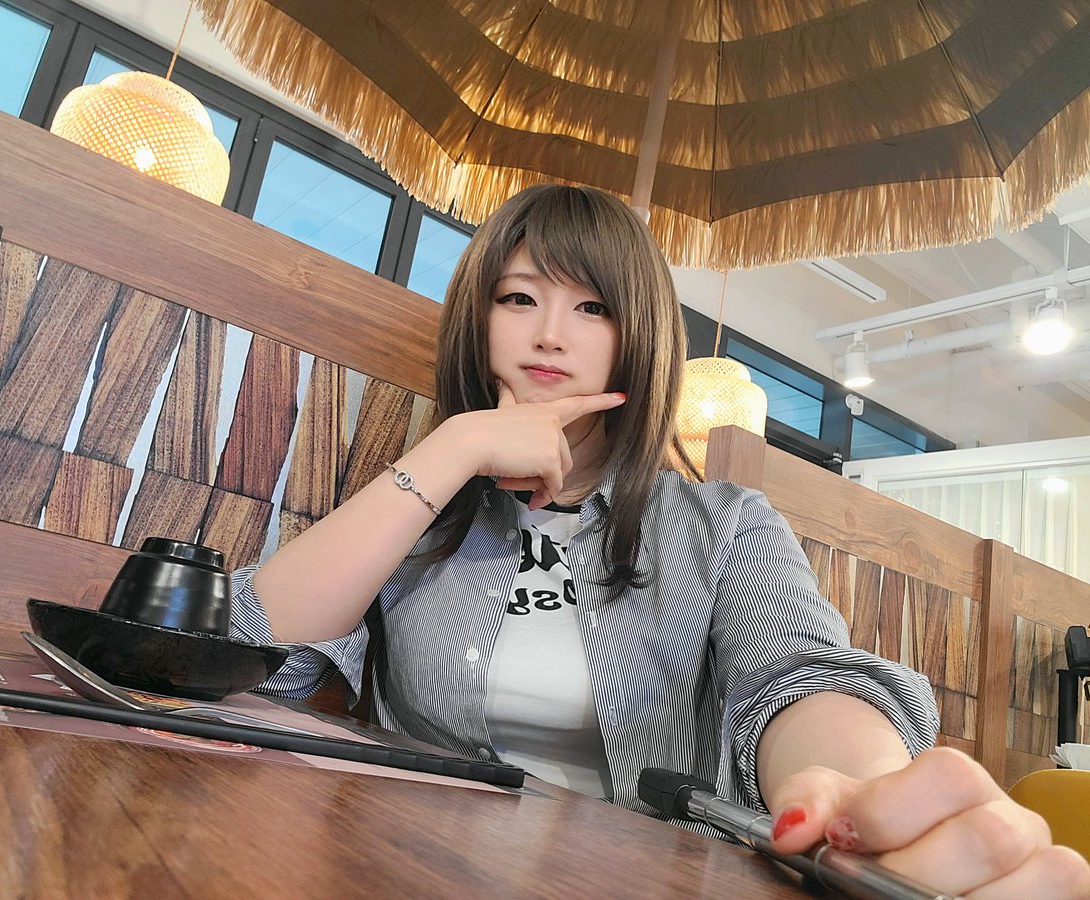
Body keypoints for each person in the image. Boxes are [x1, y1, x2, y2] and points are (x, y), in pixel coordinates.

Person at [230, 185, 1090, 898]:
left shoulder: (724, 524)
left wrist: (856, 794)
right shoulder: (419, 511)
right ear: (479, 319)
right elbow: (254, 655)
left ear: (635, 334)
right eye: (519, 298)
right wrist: (450, 450)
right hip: (414, 868)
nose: (550, 334)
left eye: (593, 307)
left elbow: (797, 675)